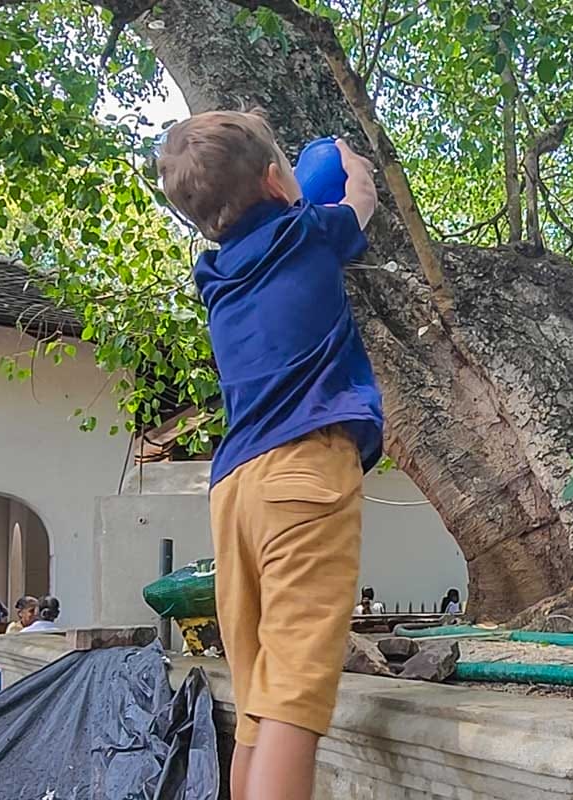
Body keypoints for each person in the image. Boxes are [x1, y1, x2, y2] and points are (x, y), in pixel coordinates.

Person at [159, 110, 380, 800]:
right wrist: (346, 153)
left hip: (234, 493)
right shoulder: (307, 231)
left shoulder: (216, 276)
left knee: (257, 703)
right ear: (274, 179)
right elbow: (362, 199)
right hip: (301, 475)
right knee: (292, 699)